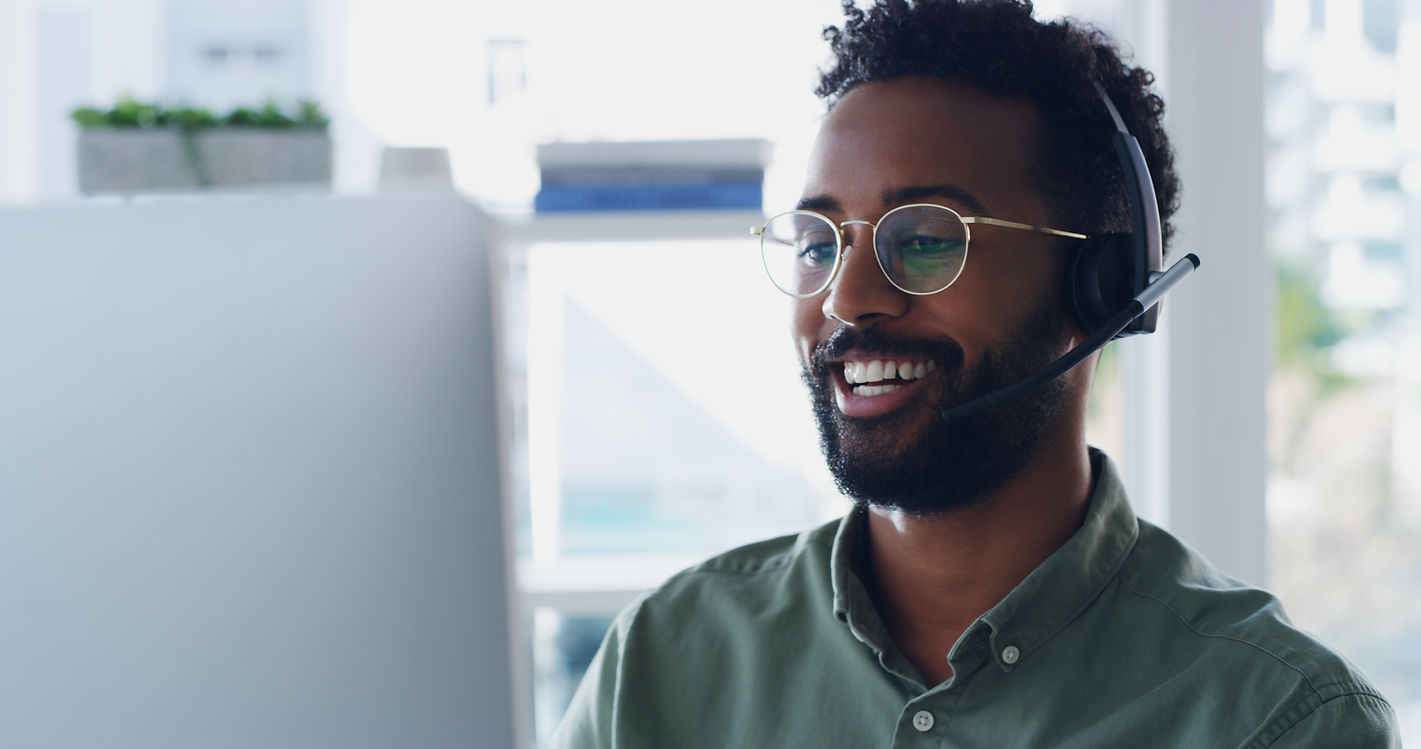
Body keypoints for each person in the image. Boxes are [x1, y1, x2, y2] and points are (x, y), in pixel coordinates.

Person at [551, 1, 1401, 746]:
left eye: (923, 238)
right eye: (818, 243)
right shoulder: (664, 664)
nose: (847, 298)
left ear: (1098, 288)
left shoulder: (1278, 718)